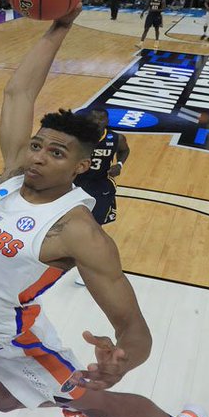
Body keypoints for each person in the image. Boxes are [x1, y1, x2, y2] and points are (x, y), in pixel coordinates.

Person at [0, 6, 207, 417]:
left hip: (10, 340)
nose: (37, 157)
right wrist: (59, 27)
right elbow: (19, 92)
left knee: (92, 403)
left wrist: (122, 362)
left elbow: (133, 327)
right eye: (36, 145)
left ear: (80, 167)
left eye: (55, 153)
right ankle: (65, 401)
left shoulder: (77, 230)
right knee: (3, 402)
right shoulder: (11, 176)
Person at [71, 106, 130, 286]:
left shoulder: (116, 138)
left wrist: (119, 164)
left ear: (107, 121)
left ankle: (91, 268)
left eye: (101, 119)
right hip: (74, 184)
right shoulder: (77, 137)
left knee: (94, 229)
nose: (98, 122)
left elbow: (125, 150)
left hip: (100, 186)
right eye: (94, 118)